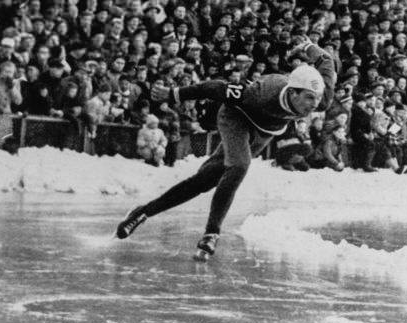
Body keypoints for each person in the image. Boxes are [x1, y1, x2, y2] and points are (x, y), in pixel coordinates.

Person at [115, 41, 336, 260]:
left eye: (316, 98)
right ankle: (212, 232)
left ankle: (142, 212)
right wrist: (174, 94)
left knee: (205, 180)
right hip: (235, 118)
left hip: (264, 131)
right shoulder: (262, 92)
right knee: (239, 165)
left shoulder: (320, 98)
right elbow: (216, 88)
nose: (314, 105)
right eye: (309, 98)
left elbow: (326, 61)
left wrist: (306, 47)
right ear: (293, 92)